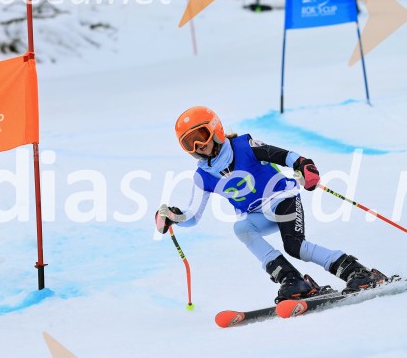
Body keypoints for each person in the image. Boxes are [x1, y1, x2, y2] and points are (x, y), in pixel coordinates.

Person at [156, 106, 386, 303]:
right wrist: (173, 217)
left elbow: (282, 155)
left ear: (215, 129)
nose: (198, 145)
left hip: (282, 198)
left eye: (201, 135)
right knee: (242, 228)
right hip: (258, 214)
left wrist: (303, 165)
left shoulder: (244, 146)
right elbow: (193, 216)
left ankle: (356, 271)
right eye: (189, 143)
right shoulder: (202, 177)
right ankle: (292, 280)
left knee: (295, 246)